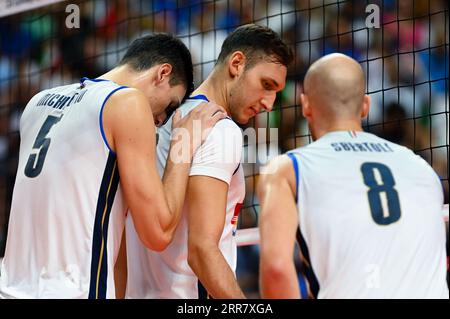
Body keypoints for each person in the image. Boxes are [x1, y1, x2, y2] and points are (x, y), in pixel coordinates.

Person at [0, 34, 226, 299]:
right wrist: (182, 145)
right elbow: (158, 232)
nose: (162, 120)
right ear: (163, 73)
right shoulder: (127, 103)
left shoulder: (38, 102)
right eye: (170, 106)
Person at [258, 53, 449, 299]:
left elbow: (276, 269)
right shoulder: (422, 167)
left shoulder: (286, 169)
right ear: (366, 106)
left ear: (305, 105)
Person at [124, 24, 293, 299]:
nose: (269, 103)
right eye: (266, 85)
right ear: (236, 63)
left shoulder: (162, 117)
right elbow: (202, 250)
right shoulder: (220, 130)